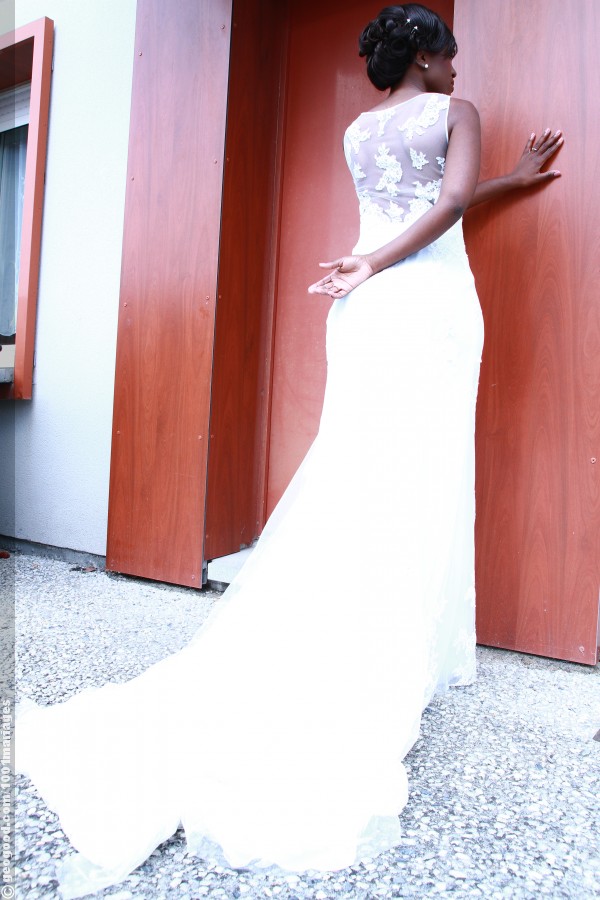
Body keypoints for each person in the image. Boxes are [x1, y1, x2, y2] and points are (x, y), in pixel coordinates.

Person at [16, 5, 562, 897]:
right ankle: (384, 651)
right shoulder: (457, 112)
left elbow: (437, 201)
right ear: (427, 56)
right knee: (417, 475)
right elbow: (449, 203)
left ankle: (356, 630)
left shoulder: (357, 131)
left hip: (365, 308)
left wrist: (420, 233)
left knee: (360, 473)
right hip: (420, 305)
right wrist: (388, 257)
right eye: (452, 55)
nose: (460, 70)